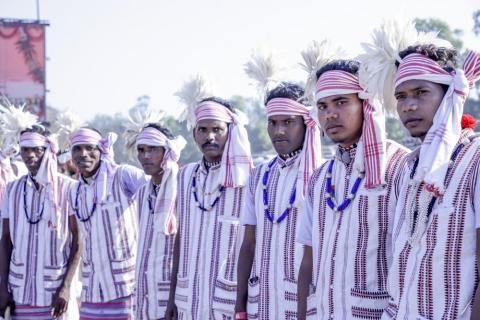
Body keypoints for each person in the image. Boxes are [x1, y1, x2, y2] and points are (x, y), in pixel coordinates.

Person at [360, 20, 480, 319]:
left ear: (450, 93)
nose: (408, 106)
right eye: (401, 96)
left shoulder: (475, 158)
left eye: (421, 92)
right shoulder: (407, 167)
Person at [296, 56, 409, 319]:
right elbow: (308, 259)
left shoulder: (399, 166)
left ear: (366, 105)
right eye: (322, 106)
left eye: (341, 102)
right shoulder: (320, 177)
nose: (330, 114)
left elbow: (410, 261)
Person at [165, 77, 252, 319]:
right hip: (188, 300)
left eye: (217, 129)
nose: (210, 136)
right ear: (194, 133)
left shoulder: (248, 178)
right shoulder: (185, 177)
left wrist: (244, 306)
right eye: (203, 129)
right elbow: (181, 239)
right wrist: (172, 297)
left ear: (230, 133)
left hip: (227, 303)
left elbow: (253, 244)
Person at [235, 81, 323, 319]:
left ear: (307, 124)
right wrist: (239, 305)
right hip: (260, 303)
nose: (279, 131)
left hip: (305, 304)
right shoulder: (260, 175)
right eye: (273, 123)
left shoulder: (321, 174)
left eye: (288, 122)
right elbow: (249, 243)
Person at [0, 119, 81, 319]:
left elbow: (78, 242)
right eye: (25, 149)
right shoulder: (12, 189)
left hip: (55, 293)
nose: (30, 155)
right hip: (20, 293)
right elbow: (6, 240)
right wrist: (2, 285)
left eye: (36, 149)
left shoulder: (69, 188)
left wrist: (66, 287)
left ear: (47, 150)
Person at [67, 127, 148, 319]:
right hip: (92, 289)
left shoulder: (123, 176)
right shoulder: (74, 191)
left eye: (90, 148)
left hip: (126, 287)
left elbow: (160, 189)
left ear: (101, 150)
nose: (83, 154)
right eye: (77, 149)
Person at [127, 122, 185, 319]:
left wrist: (174, 299)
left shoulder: (183, 189)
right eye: (141, 150)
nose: (145, 156)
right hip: (144, 297)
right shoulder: (142, 193)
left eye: (152, 150)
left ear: (167, 152)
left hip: (171, 298)